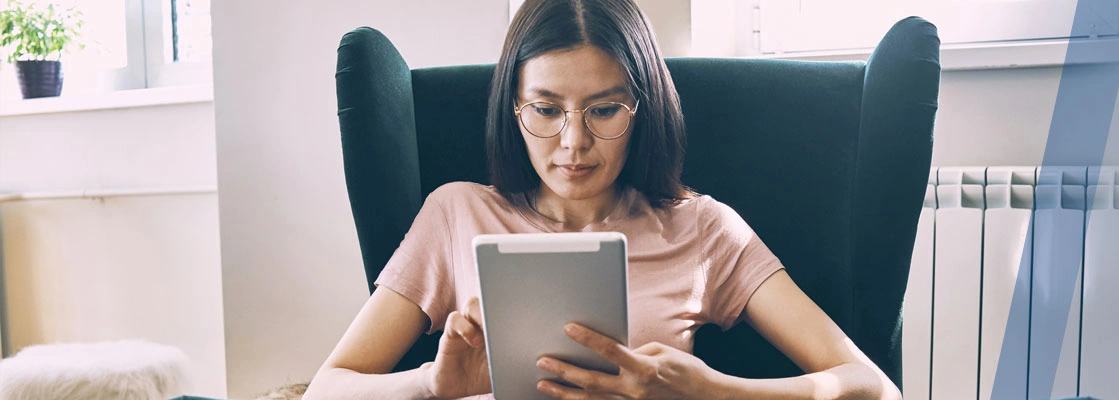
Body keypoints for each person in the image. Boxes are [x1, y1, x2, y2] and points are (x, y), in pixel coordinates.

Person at [305, 0, 900, 398]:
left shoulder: (703, 228)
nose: (574, 143)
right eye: (546, 109)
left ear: (643, 110)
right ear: (512, 109)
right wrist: (432, 385)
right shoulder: (456, 213)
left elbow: (871, 387)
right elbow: (327, 388)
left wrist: (710, 391)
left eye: (604, 109)